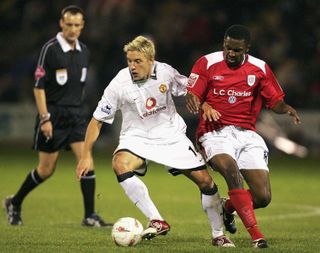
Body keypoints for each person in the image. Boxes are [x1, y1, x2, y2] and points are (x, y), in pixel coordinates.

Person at [76, 35, 234, 247]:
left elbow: (191, 89)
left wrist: (203, 104)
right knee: (119, 163)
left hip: (170, 135)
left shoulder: (166, 72)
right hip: (137, 137)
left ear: (151, 60)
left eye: (138, 61)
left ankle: (218, 235)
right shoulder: (119, 83)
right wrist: (86, 155)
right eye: (130, 61)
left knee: (206, 182)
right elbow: (96, 121)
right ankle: (157, 220)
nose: (132, 66)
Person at [186, 24, 301, 249]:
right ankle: (257, 236)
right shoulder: (207, 62)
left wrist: (285, 108)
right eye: (227, 48)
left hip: (247, 134)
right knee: (231, 171)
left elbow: (274, 100)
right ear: (224, 44)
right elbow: (191, 95)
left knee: (262, 197)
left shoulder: (260, 68)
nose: (231, 53)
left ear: (247, 48)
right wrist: (202, 103)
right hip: (214, 133)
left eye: (237, 50)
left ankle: (228, 208)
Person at [3, 5, 111, 227]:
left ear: (82, 26)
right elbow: (38, 86)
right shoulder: (50, 49)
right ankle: (14, 201)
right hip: (53, 114)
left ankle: (89, 216)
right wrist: (45, 118)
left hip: (76, 115)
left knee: (86, 162)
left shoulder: (85, 52)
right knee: (46, 170)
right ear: (61, 24)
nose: (73, 29)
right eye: (69, 24)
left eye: (77, 25)